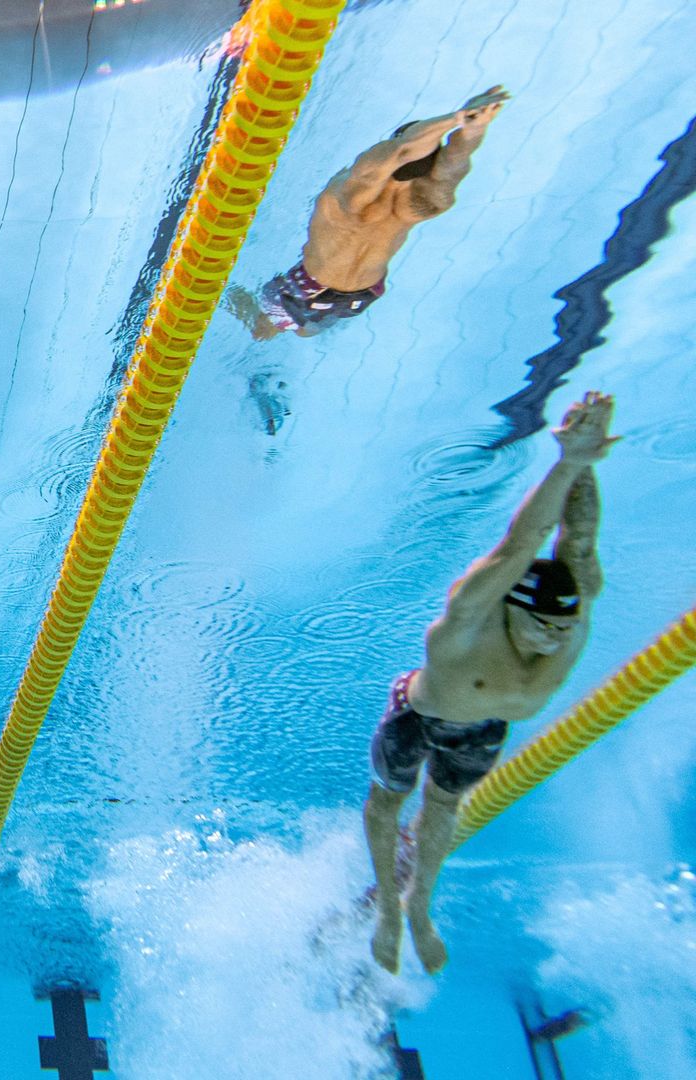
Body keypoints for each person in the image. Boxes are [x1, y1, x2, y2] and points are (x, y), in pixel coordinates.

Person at [364, 391, 617, 974]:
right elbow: (520, 545)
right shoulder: (471, 619)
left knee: (442, 811)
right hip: (418, 715)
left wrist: (584, 460)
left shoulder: (570, 618)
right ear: (511, 608)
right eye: (542, 627)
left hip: (481, 731)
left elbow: (577, 546)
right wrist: (563, 464)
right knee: (387, 808)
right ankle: (386, 915)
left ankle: (418, 906)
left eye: (562, 629)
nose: (555, 641)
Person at [227, 86, 509, 340]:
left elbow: (404, 150)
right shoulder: (425, 203)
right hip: (363, 297)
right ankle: (304, 326)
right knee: (307, 332)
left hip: (308, 287)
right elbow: (454, 161)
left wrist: (457, 119)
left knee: (258, 326)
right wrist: (473, 128)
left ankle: (247, 304)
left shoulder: (354, 191)